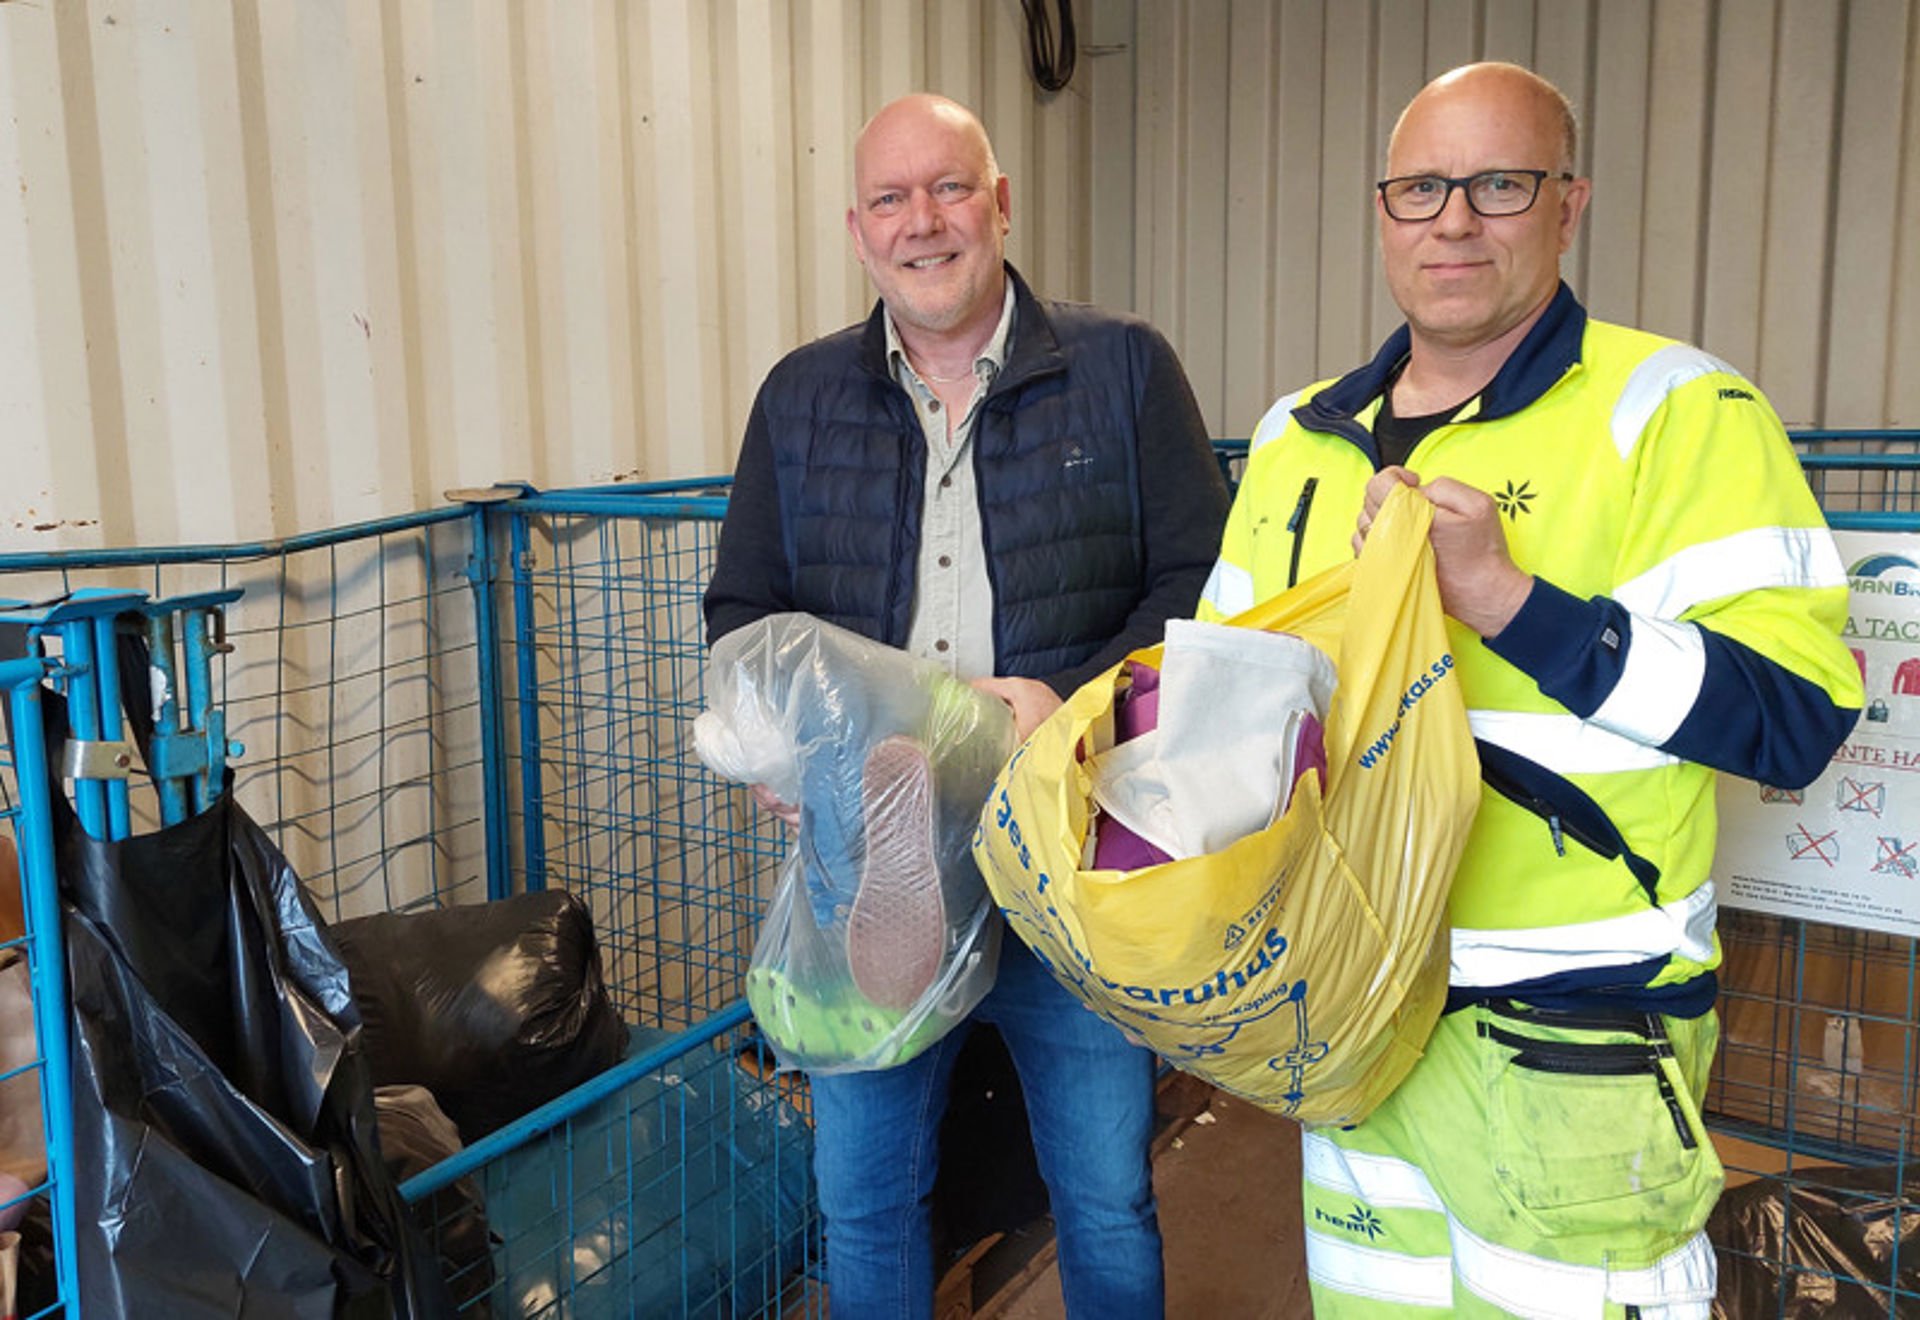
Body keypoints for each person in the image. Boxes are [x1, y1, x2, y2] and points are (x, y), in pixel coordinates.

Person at [1202, 63, 1862, 1316]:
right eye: (1420, 188)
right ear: (1383, 212)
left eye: (1499, 183)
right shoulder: (1299, 435)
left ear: (1571, 205)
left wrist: (1511, 601)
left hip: (1573, 1044)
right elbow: (1232, 716)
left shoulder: (1678, 413)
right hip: (1348, 1024)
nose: (1454, 219)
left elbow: (1794, 718)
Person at [705, 92, 1229, 1319]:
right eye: (892, 198)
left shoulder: (1124, 368)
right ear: (856, 229)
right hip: (873, 860)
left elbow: (1203, 583)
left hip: (1066, 846)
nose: (923, 221)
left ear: (1001, 204)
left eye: (949, 188)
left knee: (1104, 1190)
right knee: (867, 1198)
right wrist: (780, 749)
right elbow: (745, 612)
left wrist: (1077, 702)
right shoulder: (800, 399)